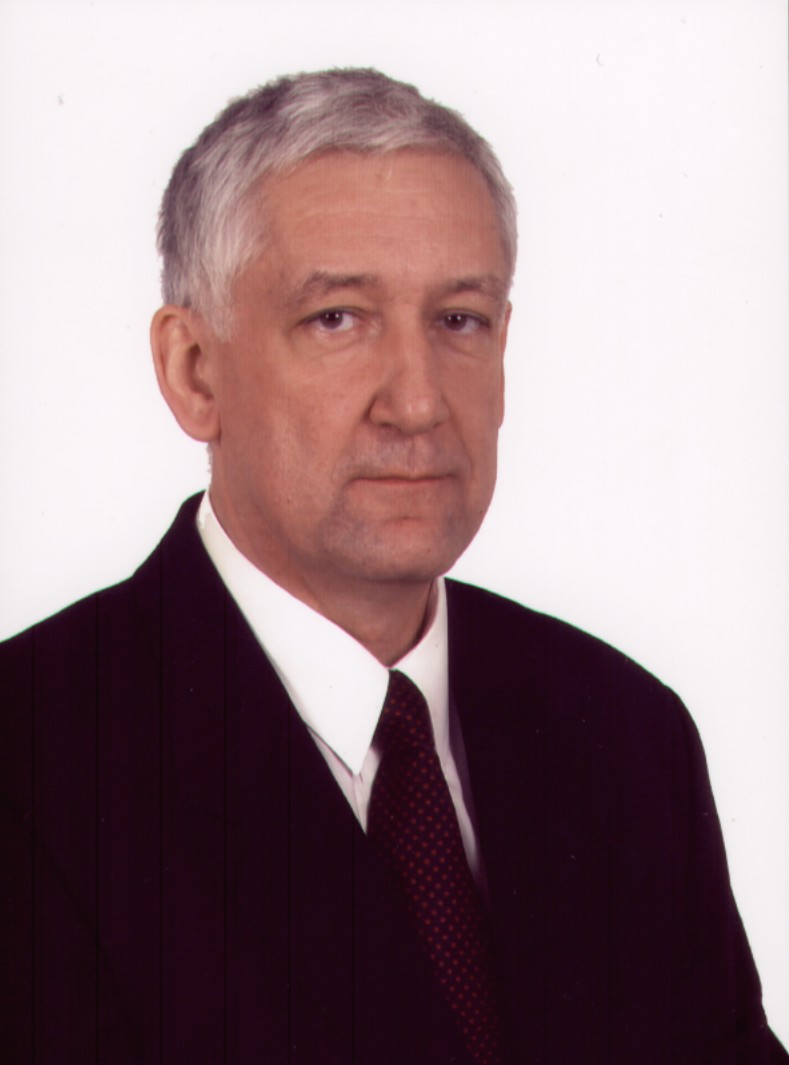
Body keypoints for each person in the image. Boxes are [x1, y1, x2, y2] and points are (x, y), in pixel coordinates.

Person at [1, 68, 785, 1065]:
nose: (417, 402)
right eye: (337, 318)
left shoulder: (625, 733)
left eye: (459, 319)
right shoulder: (34, 764)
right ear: (194, 372)